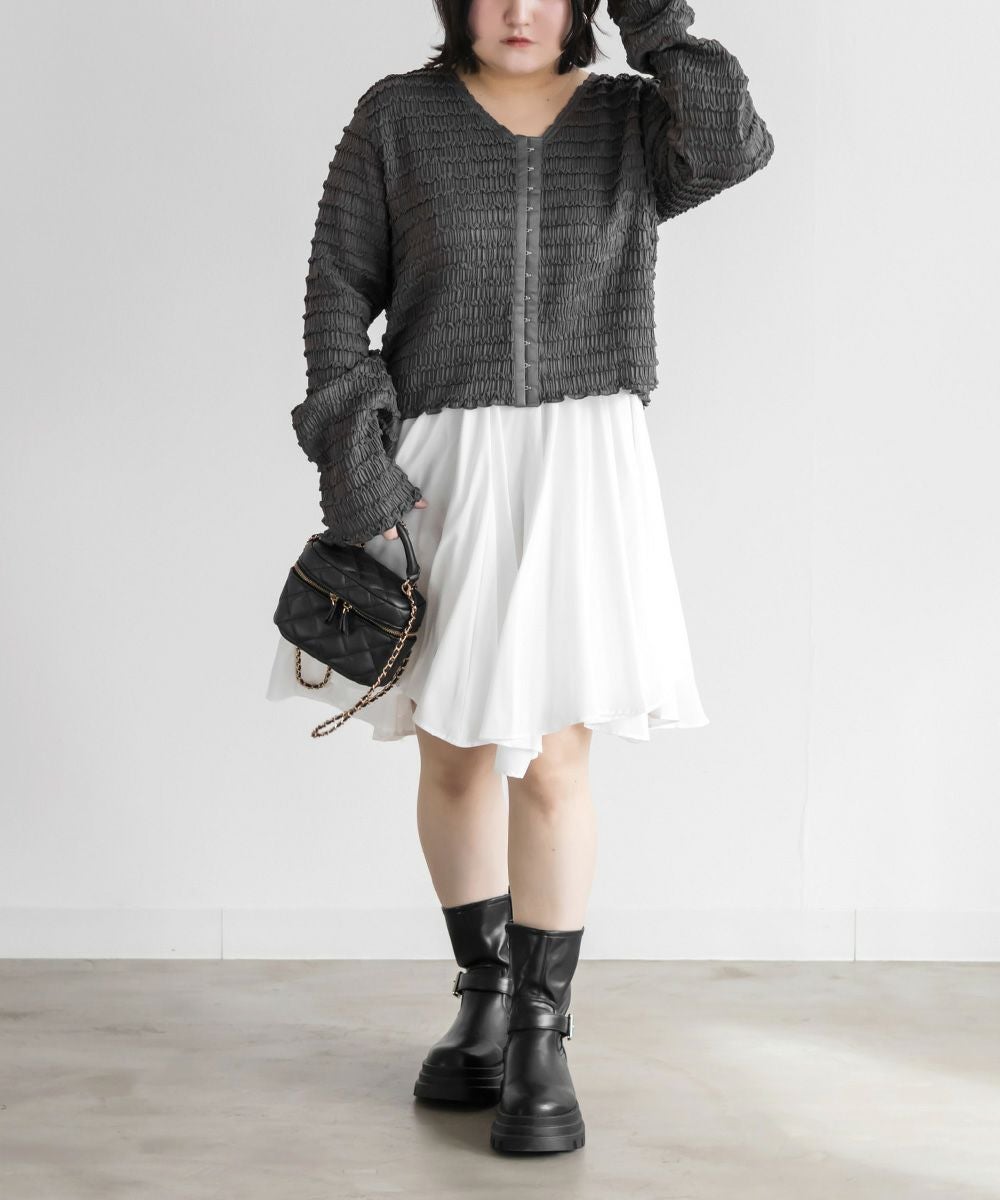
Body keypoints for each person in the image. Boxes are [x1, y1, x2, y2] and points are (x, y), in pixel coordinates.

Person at [267, 0, 774, 1154]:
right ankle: (484, 996)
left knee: (553, 757)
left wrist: (653, 16)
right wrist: (358, 473)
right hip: (440, 467)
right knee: (452, 748)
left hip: (585, 467)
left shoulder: (632, 120)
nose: (516, 7)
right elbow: (336, 297)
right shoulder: (396, 119)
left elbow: (733, 143)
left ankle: (544, 1031)